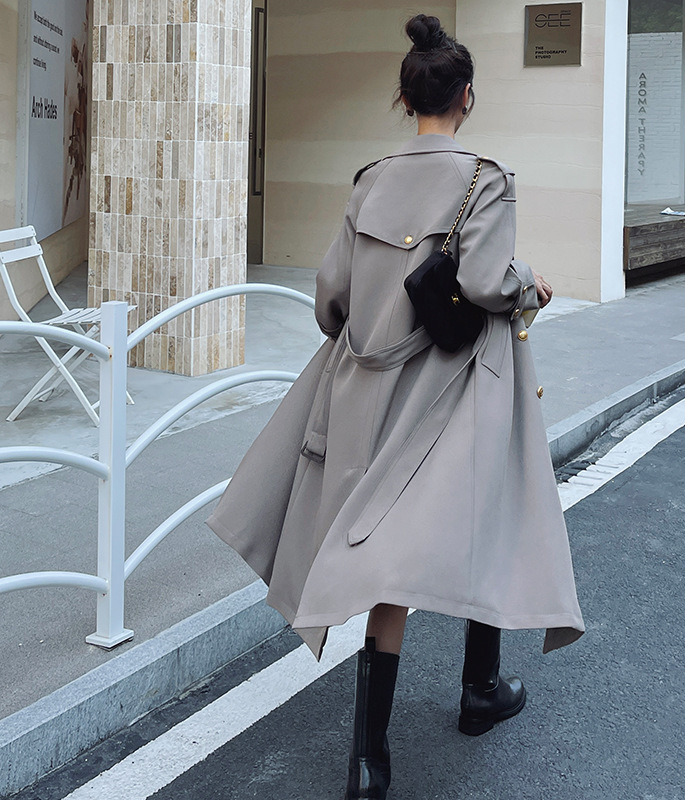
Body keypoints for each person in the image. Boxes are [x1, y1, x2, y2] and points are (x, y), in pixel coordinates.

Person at [207, 14, 584, 799]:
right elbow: (484, 282)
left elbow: (330, 299)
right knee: (488, 513)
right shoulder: (487, 178)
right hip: (454, 387)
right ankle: (480, 689)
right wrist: (528, 281)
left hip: (373, 395)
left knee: (383, 556)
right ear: (466, 96)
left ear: (405, 98)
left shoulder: (371, 179)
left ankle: (369, 762)